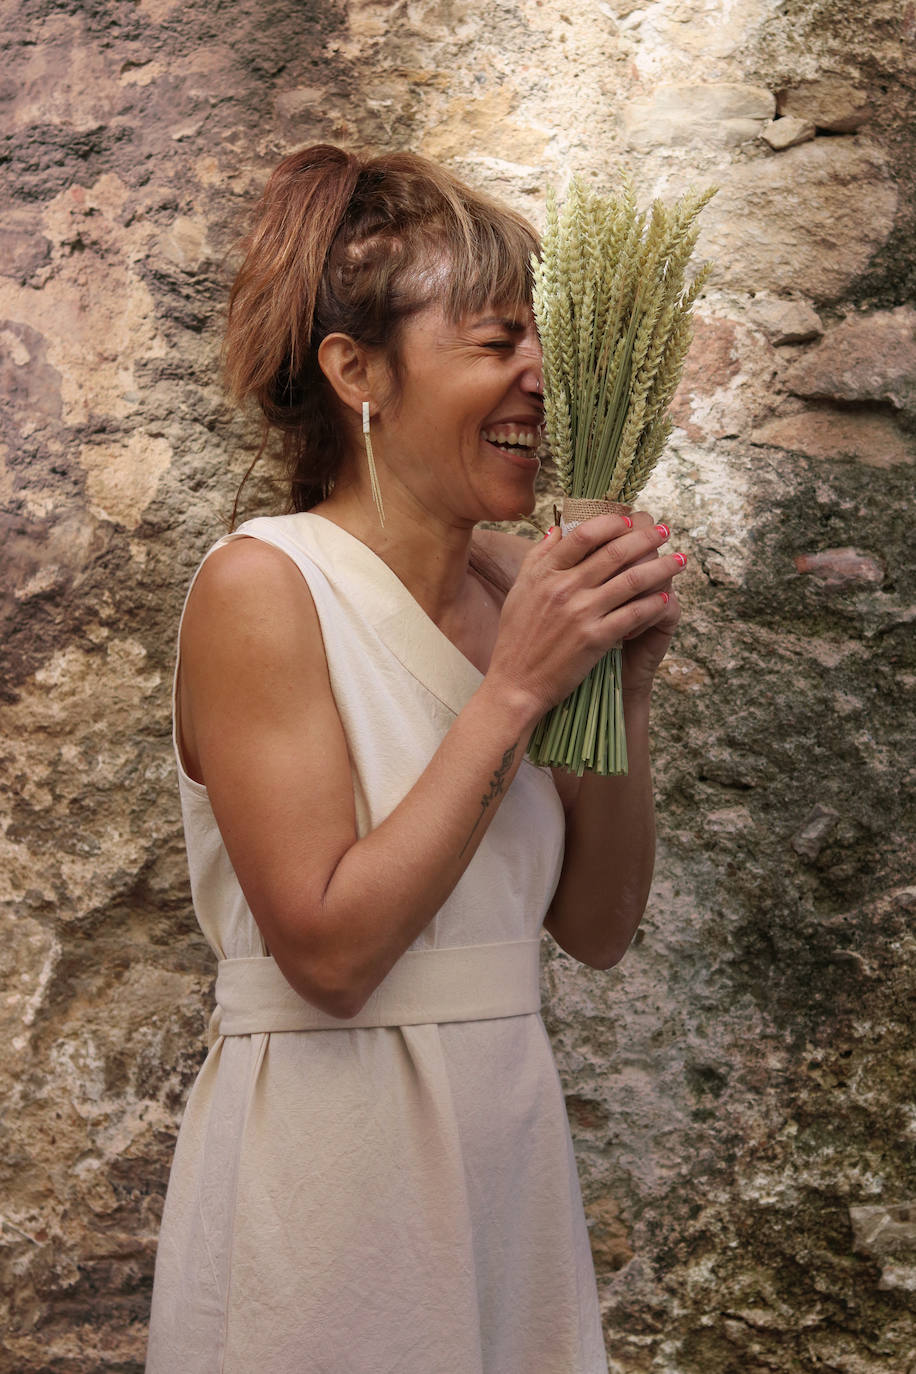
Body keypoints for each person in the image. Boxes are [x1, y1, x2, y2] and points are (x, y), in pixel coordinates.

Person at [146, 144, 686, 1374]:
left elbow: (596, 927)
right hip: (329, 1182)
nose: (541, 378)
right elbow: (330, 954)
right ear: (356, 372)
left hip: (505, 1165)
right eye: (497, 343)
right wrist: (516, 692)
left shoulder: (515, 589)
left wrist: (623, 691)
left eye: (543, 341)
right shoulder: (263, 586)